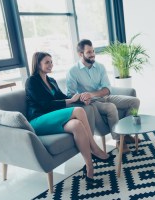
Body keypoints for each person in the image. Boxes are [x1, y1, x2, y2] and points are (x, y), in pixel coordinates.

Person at [25, 52, 113, 183]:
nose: (51, 64)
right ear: (38, 64)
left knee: (77, 125)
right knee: (78, 111)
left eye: (51, 61)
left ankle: (89, 170)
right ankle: (95, 148)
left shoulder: (51, 81)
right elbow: (45, 105)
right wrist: (71, 102)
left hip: (52, 119)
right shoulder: (32, 81)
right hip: (39, 120)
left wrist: (79, 99)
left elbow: (63, 97)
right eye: (47, 62)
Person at [66, 39, 140, 154]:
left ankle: (126, 135)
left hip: (104, 96)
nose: (93, 54)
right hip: (91, 103)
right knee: (111, 107)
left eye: (93, 51)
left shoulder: (100, 67)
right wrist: (84, 97)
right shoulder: (73, 71)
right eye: (89, 52)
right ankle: (119, 140)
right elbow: (70, 94)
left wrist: (92, 93)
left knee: (134, 101)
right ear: (80, 54)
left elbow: (107, 89)